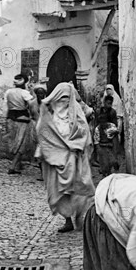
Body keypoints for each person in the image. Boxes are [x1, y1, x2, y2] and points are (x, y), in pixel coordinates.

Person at [36, 82, 95, 233]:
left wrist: (75, 145)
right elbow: (43, 135)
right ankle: (67, 220)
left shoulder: (77, 115)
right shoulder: (49, 117)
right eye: (60, 98)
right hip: (56, 162)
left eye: (67, 98)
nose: (63, 101)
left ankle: (79, 216)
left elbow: (85, 134)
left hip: (75, 159)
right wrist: (49, 150)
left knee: (80, 189)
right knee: (60, 193)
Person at [5, 74, 34, 174]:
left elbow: (7, 104)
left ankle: (17, 164)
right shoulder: (24, 93)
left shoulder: (8, 92)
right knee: (22, 143)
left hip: (10, 117)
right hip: (22, 118)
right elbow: (31, 105)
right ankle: (13, 166)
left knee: (13, 141)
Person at [94, 96, 120, 177]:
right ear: (104, 102)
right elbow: (96, 125)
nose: (109, 105)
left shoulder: (112, 112)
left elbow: (115, 126)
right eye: (107, 103)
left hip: (110, 139)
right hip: (102, 141)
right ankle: (104, 171)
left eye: (110, 104)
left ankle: (112, 166)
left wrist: (111, 132)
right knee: (104, 159)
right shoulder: (99, 112)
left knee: (111, 158)